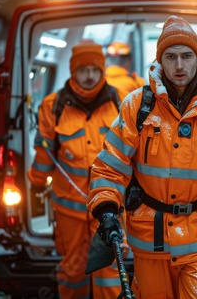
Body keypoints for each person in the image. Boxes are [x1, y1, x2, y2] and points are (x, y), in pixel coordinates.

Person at [87, 15, 197, 298]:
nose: (179, 65)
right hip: (149, 241)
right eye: (171, 57)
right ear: (160, 61)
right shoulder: (137, 106)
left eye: (186, 56)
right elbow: (110, 166)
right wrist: (106, 207)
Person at [27, 39, 128, 298]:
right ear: (73, 72)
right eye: (83, 70)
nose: (90, 76)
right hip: (69, 211)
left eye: (95, 70)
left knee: (110, 269)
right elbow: (44, 154)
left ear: (103, 70)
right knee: (73, 269)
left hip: (109, 207)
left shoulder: (121, 104)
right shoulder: (53, 106)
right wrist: (36, 181)